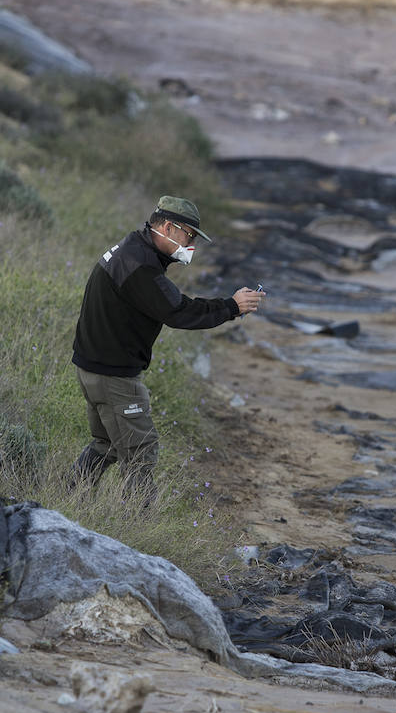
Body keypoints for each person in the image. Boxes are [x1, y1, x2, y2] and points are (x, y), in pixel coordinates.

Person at [70, 195, 265, 500]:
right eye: (188, 236)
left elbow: (166, 304)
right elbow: (179, 311)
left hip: (91, 367)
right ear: (168, 227)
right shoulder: (140, 266)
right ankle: (137, 527)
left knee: (105, 444)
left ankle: (70, 498)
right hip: (113, 376)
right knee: (140, 454)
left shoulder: (133, 248)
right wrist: (232, 306)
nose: (191, 245)